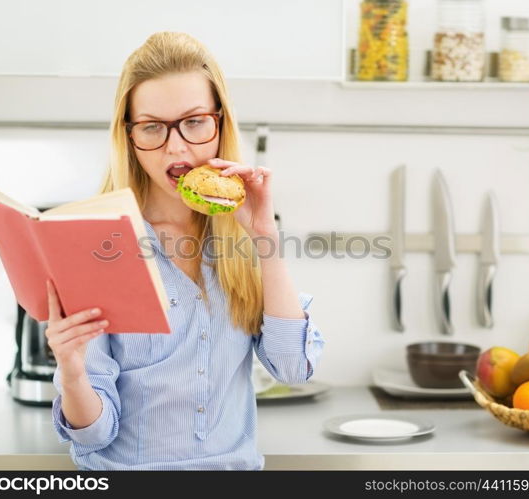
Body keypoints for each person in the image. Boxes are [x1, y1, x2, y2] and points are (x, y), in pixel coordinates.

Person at [46, 31, 324, 471]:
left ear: (220, 123)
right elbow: (96, 433)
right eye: (153, 127)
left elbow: (292, 369)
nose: (176, 147)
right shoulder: (98, 244)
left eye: (194, 122)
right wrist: (73, 373)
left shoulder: (244, 236)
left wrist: (264, 239)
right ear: (130, 136)